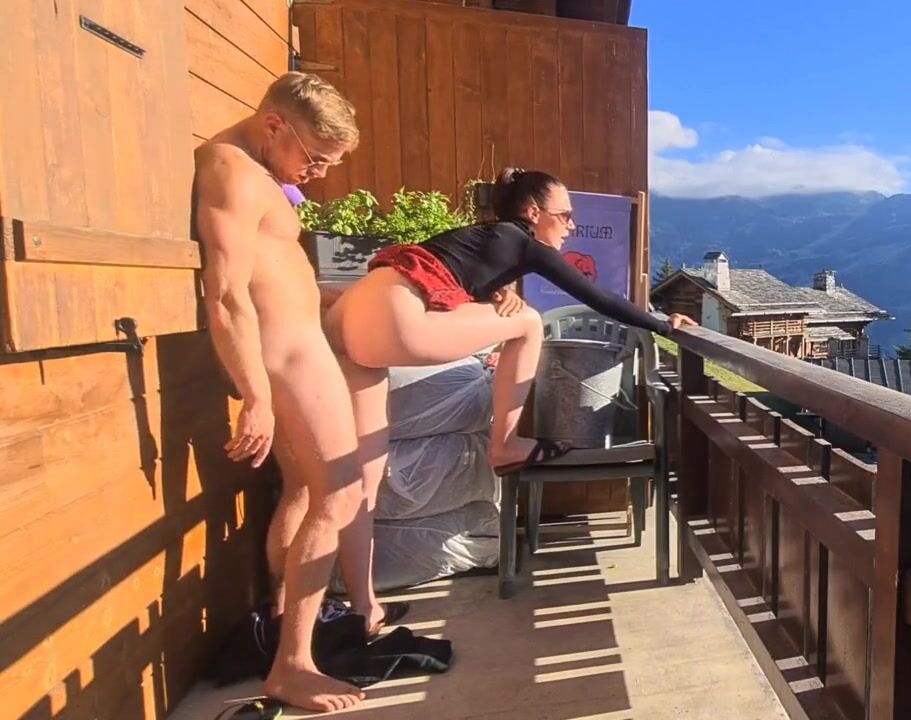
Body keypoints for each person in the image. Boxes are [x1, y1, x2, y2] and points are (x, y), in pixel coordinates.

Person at [321, 169, 696, 545]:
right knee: (529, 322)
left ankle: (358, 585)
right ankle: (505, 444)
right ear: (534, 212)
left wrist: (494, 294)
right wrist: (663, 325)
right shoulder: (523, 243)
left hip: (345, 320)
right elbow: (598, 297)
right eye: (565, 215)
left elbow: (445, 280)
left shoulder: (483, 238)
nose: (571, 225)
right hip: (393, 323)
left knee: (360, 482)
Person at [193, 71, 367, 713]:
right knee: (340, 494)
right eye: (314, 158)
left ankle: (285, 620)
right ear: (274, 125)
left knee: (302, 490)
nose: (316, 173)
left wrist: (338, 296)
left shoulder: (257, 174)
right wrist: (257, 395)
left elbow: (270, 276)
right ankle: (293, 665)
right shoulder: (232, 170)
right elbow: (225, 293)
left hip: (297, 347)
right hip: (289, 360)